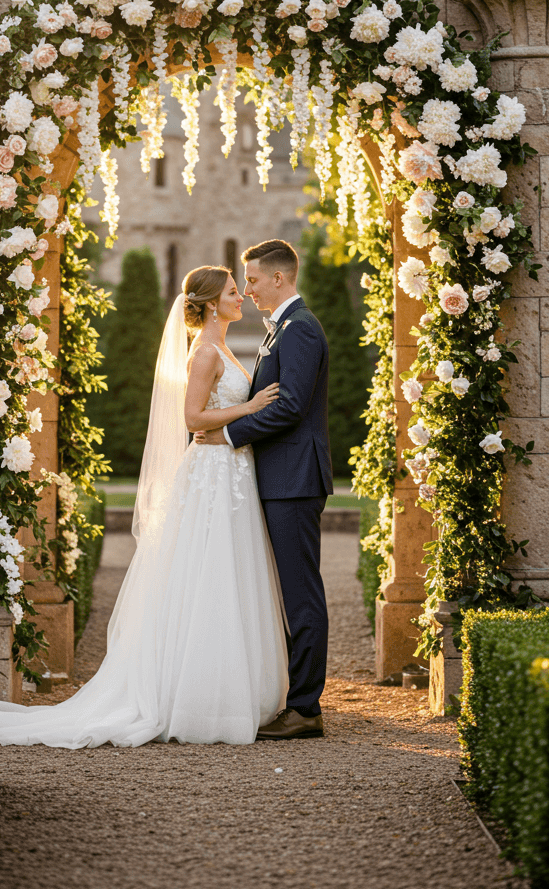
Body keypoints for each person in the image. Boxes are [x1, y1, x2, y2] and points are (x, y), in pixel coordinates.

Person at [0, 264, 289, 748]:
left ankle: (226, 692)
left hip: (229, 471)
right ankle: (195, 699)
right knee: (207, 575)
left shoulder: (223, 347)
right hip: (212, 476)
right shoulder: (204, 351)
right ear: (212, 303)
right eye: (234, 292)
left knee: (229, 576)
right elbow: (192, 417)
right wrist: (249, 409)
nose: (242, 297)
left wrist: (235, 419)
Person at [195, 239, 332, 741]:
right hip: (281, 478)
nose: (247, 288)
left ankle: (305, 708)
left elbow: (291, 407)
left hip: (294, 480)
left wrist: (228, 434)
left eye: (251, 279)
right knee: (290, 591)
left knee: (301, 593)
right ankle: (296, 699)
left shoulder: (299, 330)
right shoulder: (283, 330)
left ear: (279, 278)